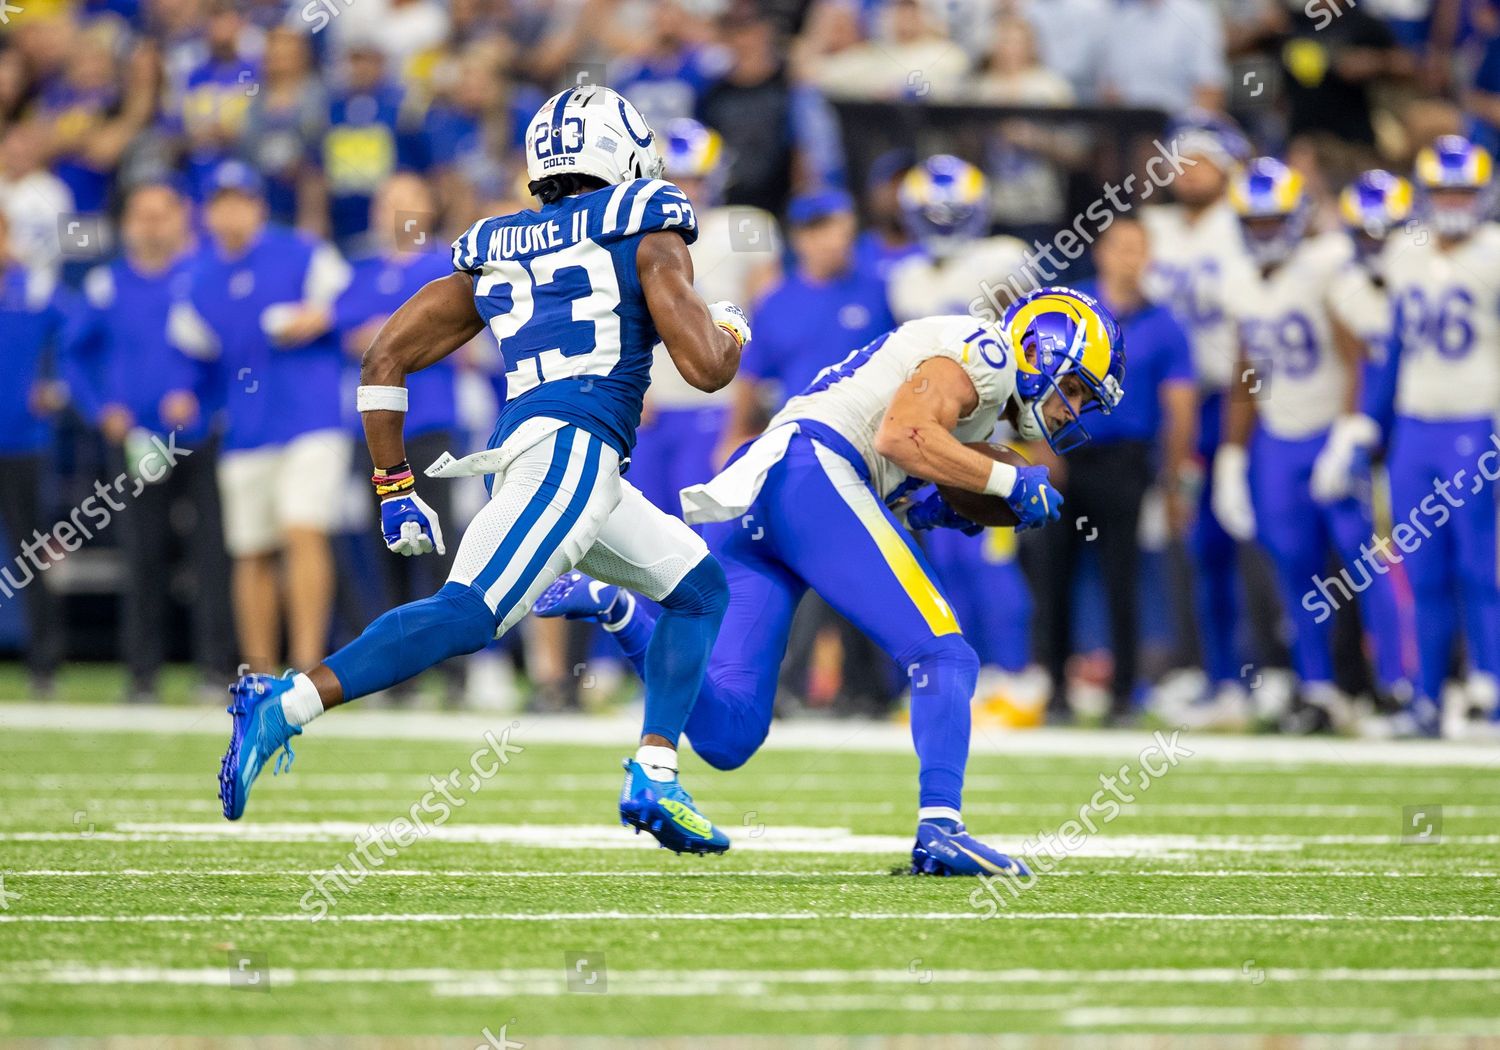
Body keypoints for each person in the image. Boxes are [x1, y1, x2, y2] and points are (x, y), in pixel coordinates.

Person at [217, 87, 750, 859]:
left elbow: (383, 357)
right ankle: (286, 700)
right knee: (468, 615)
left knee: (699, 588)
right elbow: (706, 369)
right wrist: (730, 326)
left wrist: (395, 486)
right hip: (572, 451)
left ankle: (656, 773)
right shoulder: (647, 225)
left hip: (546, 452)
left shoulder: (501, 244)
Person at [537, 287, 1126, 875]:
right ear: (1038, 347)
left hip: (767, 486)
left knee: (731, 734)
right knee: (944, 654)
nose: (1069, 409)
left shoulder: (972, 391)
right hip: (810, 471)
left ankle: (617, 609)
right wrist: (1007, 483)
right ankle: (941, 829)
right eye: (1073, 389)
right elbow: (903, 436)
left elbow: (899, 459)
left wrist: (942, 507)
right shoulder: (988, 355)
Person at [1210, 158, 1408, 733]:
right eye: (1254, 222)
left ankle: (1394, 687)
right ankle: (1317, 688)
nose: (1263, 233)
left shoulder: (1326, 268)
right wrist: (1232, 455)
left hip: (1328, 433)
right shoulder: (1239, 280)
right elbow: (1247, 372)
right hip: (1278, 441)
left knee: (1365, 565)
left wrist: (1348, 431)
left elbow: (1357, 356)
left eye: (1273, 222)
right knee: (1294, 572)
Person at [171, 160, 353, 675]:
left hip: (310, 418)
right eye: (220, 201)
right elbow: (192, 359)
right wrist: (182, 396)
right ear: (206, 213)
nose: (231, 211)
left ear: (258, 205)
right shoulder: (198, 280)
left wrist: (321, 317)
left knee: (303, 530)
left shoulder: (302, 252)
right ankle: (259, 669)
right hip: (246, 429)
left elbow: (351, 303)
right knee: (250, 549)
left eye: (241, 200)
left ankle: (306, 662)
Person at [1355, 137, 1500, 735]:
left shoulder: (1493, 252)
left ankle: (1489, 693)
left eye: (1463, 189)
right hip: (1415, 427)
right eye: (1444, 189)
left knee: (1479, 567)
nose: (1453, 201)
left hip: (1476, 423)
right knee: (1423, 571)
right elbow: (1392, 349)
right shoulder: (1404, 254)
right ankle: (1427, 699)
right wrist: (1370, 419)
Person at [69, 180, 232, 702]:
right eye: (142, 215)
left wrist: (200, 398)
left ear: (183, 217)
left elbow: (231, 350)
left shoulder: (205, 277)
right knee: (142, 554)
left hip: (198, 436)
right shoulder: (106, 285)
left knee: (211, 552)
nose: (151, 225)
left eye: (161, 214)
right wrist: (101, 410)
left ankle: (215, 668)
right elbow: (73, 356)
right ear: (126, 223)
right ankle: (142, 672)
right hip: (136, 439)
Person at [1039, 218, 1197, 726]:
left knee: (1121, 577)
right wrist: (1041, 448)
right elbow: (1032, 380)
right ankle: (1055, 689)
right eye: (1121, 247)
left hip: (1125, 461)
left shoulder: (1164, 323)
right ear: (1102, 252)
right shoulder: (1071, 311)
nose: (1130, 258)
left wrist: (1174, 480)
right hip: (1066, 455)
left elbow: (1180, 407)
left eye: (1139, 248)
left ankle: (1125, 692)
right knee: (1053, 575)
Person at [1141, 113, 1262, 719]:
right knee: (1184, 543)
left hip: (1228, 402)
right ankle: (1203, 670)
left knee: (1230, 544)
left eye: (1202, 160)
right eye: (1181, 160)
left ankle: (1246, 674)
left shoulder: (1243, 227)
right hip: (1166, 406)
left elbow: (1253, 331)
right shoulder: (1155, 228)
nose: (1188, 171)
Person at [333, 172, 466, 702]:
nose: (397, 211)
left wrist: (386, 334)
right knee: (383, 547)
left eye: (408, 199)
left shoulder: (443, 266)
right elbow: (345, 331)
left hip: (429, 422)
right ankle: (396, 673)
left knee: (440, 545)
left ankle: (454, 668)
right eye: (389, 200)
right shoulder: (362, 269)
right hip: (374, 428)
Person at [630, 118, 780, 516]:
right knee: (645, 526)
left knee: (703, 522)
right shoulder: (637, 236)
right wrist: (633, 386)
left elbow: (766, 318)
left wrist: (749, 405)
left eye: (694, 178)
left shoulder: (743, 226)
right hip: (652, 404)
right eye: (676, 178)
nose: (685, 190)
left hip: (717, 401)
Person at [727, 188, 893, 454]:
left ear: (850, 228)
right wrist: (732, 436)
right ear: (797, 238)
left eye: (834, 227)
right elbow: (752, 374)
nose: (828, 240)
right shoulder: (774, 302)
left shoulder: (881, 291)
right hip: (798, 438)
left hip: (871, 434)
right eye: (816, 230)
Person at [0, 210, 71, 697]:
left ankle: (44, 660)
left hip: (24, 438)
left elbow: (78, 335)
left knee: (30, 550)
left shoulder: (38, 289)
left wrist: (58, 384)